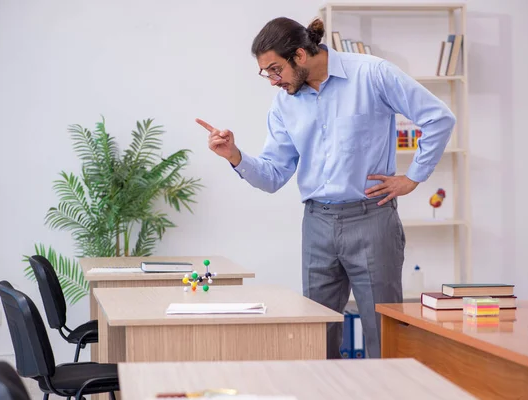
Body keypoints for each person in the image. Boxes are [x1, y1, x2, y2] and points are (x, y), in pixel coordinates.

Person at [195, 16, 455, 359]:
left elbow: (439, 117)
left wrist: (413, 178)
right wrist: (235, 156)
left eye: (276, 69)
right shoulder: (285, 103)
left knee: (382, 333)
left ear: (300, 56)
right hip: (317, 224)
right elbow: (273, 176)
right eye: (266, 73)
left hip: (372, 220)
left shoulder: (372, 74)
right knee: (316, 338)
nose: (273, 81)